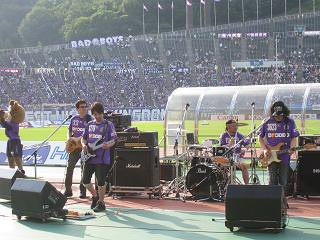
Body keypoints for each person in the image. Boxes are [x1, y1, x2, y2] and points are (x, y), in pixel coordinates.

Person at [81, 102, 117, 212]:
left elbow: (114, 140)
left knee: (101, 181)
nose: (97, 116)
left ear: (102, 113)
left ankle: (101, 203)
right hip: (89, 158)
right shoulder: (89, 125)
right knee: (85, 180)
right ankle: (95, 196)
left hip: (102, 158)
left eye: (99, 114)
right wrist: (84, 146)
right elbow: (84, 138)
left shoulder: (108, 125)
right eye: (95, 114)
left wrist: (108, 144)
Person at [259, 101, 299, 188]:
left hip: (284, 155)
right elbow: (260, 137)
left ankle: (282, 200)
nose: (279, 117)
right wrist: (265, 149)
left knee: (283, 180)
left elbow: (293, 137)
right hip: (270, 155)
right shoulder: (266, 122)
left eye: (281, 115)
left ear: (284, 113)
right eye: (276, 115)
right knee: (272, 179)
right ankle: (272, 200)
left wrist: (292, 148)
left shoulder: (290, 122)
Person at [64, 100, 92, 198]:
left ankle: (82, 191)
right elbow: (69, 131)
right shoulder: (73, 119)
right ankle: (68, 190)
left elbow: (88, 134)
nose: (84, 108)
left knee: (83, 170)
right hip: (74, 148)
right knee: (69, 168)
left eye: (85, 106)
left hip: (84, 148)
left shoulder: (89, 119)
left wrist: (76, 139)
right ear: (77, 109)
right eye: (82, 107)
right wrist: (69, 139)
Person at [220, 119, 250, 184]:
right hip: (227, 157)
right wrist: (230, 144)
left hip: (238, 157)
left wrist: (244, 150)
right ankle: (227, 184)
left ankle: (247, 185)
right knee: (223, 166)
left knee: (244, 166)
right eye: (234, 126)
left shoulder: (239, 135)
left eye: (236, 126)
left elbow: (247, 146)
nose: (236, 127)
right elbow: (221, 148)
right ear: (228, 127)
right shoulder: (223, 135)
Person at [0, 101, 25, 174]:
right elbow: (5, 124)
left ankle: (21, 170)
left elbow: (6, 126)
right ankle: (12, 170)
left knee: (16, 155)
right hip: (10, 140)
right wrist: (1, 118)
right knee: (9, 155)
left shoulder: (14, 123)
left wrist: (1, 119)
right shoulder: (11, 121)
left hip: (15, 141)